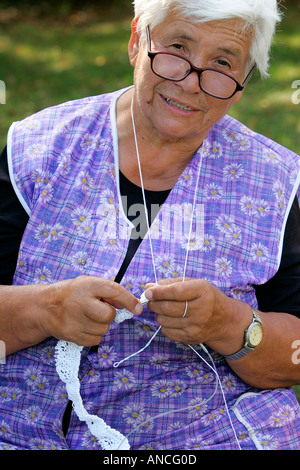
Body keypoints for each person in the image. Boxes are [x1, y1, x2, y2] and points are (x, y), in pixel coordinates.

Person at [0, 0, 300, 451]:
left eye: (221, 62)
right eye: (177, 48)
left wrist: (230, 323)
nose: (190, 81)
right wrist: (46, 308)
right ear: (137, 41)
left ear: (240, 86)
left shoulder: (278, 183)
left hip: (206, 438)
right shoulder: (38, 150)